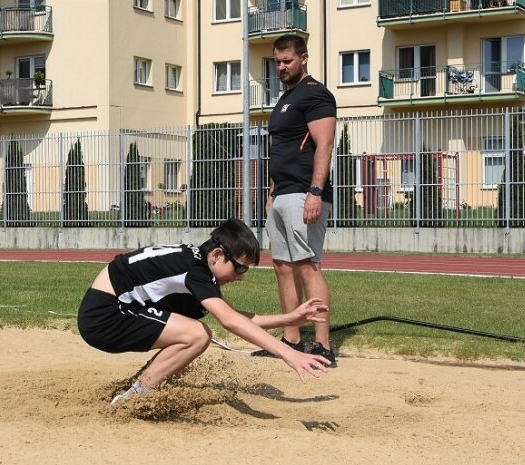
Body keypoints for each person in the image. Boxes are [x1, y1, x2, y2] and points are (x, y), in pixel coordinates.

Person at [78, 218, 331, 405]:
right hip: (106, 315)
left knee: (193, 332)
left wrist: (289, 318)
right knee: (198, 335)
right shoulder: (196, 272)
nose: (240, 278)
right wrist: (288, 353)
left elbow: (238, 317)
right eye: (239, 269)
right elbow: (230, 321)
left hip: (112, 308)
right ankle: (134, 398)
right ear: (218, 255)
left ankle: (141, 383)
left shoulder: (196, 262)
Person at [254, 34, 337, 364]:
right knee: (282, 266)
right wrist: (272, 191)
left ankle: (323, 346)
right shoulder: (285, 98)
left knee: (307, 266)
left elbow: (325, 145)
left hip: (305, 193)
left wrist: (315, 192)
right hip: (282, 194)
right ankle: (291, 339)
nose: (281, 67)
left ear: (303, 58)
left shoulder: (316, 94)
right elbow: (282, 149)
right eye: (277, 61)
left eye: (287, 61)